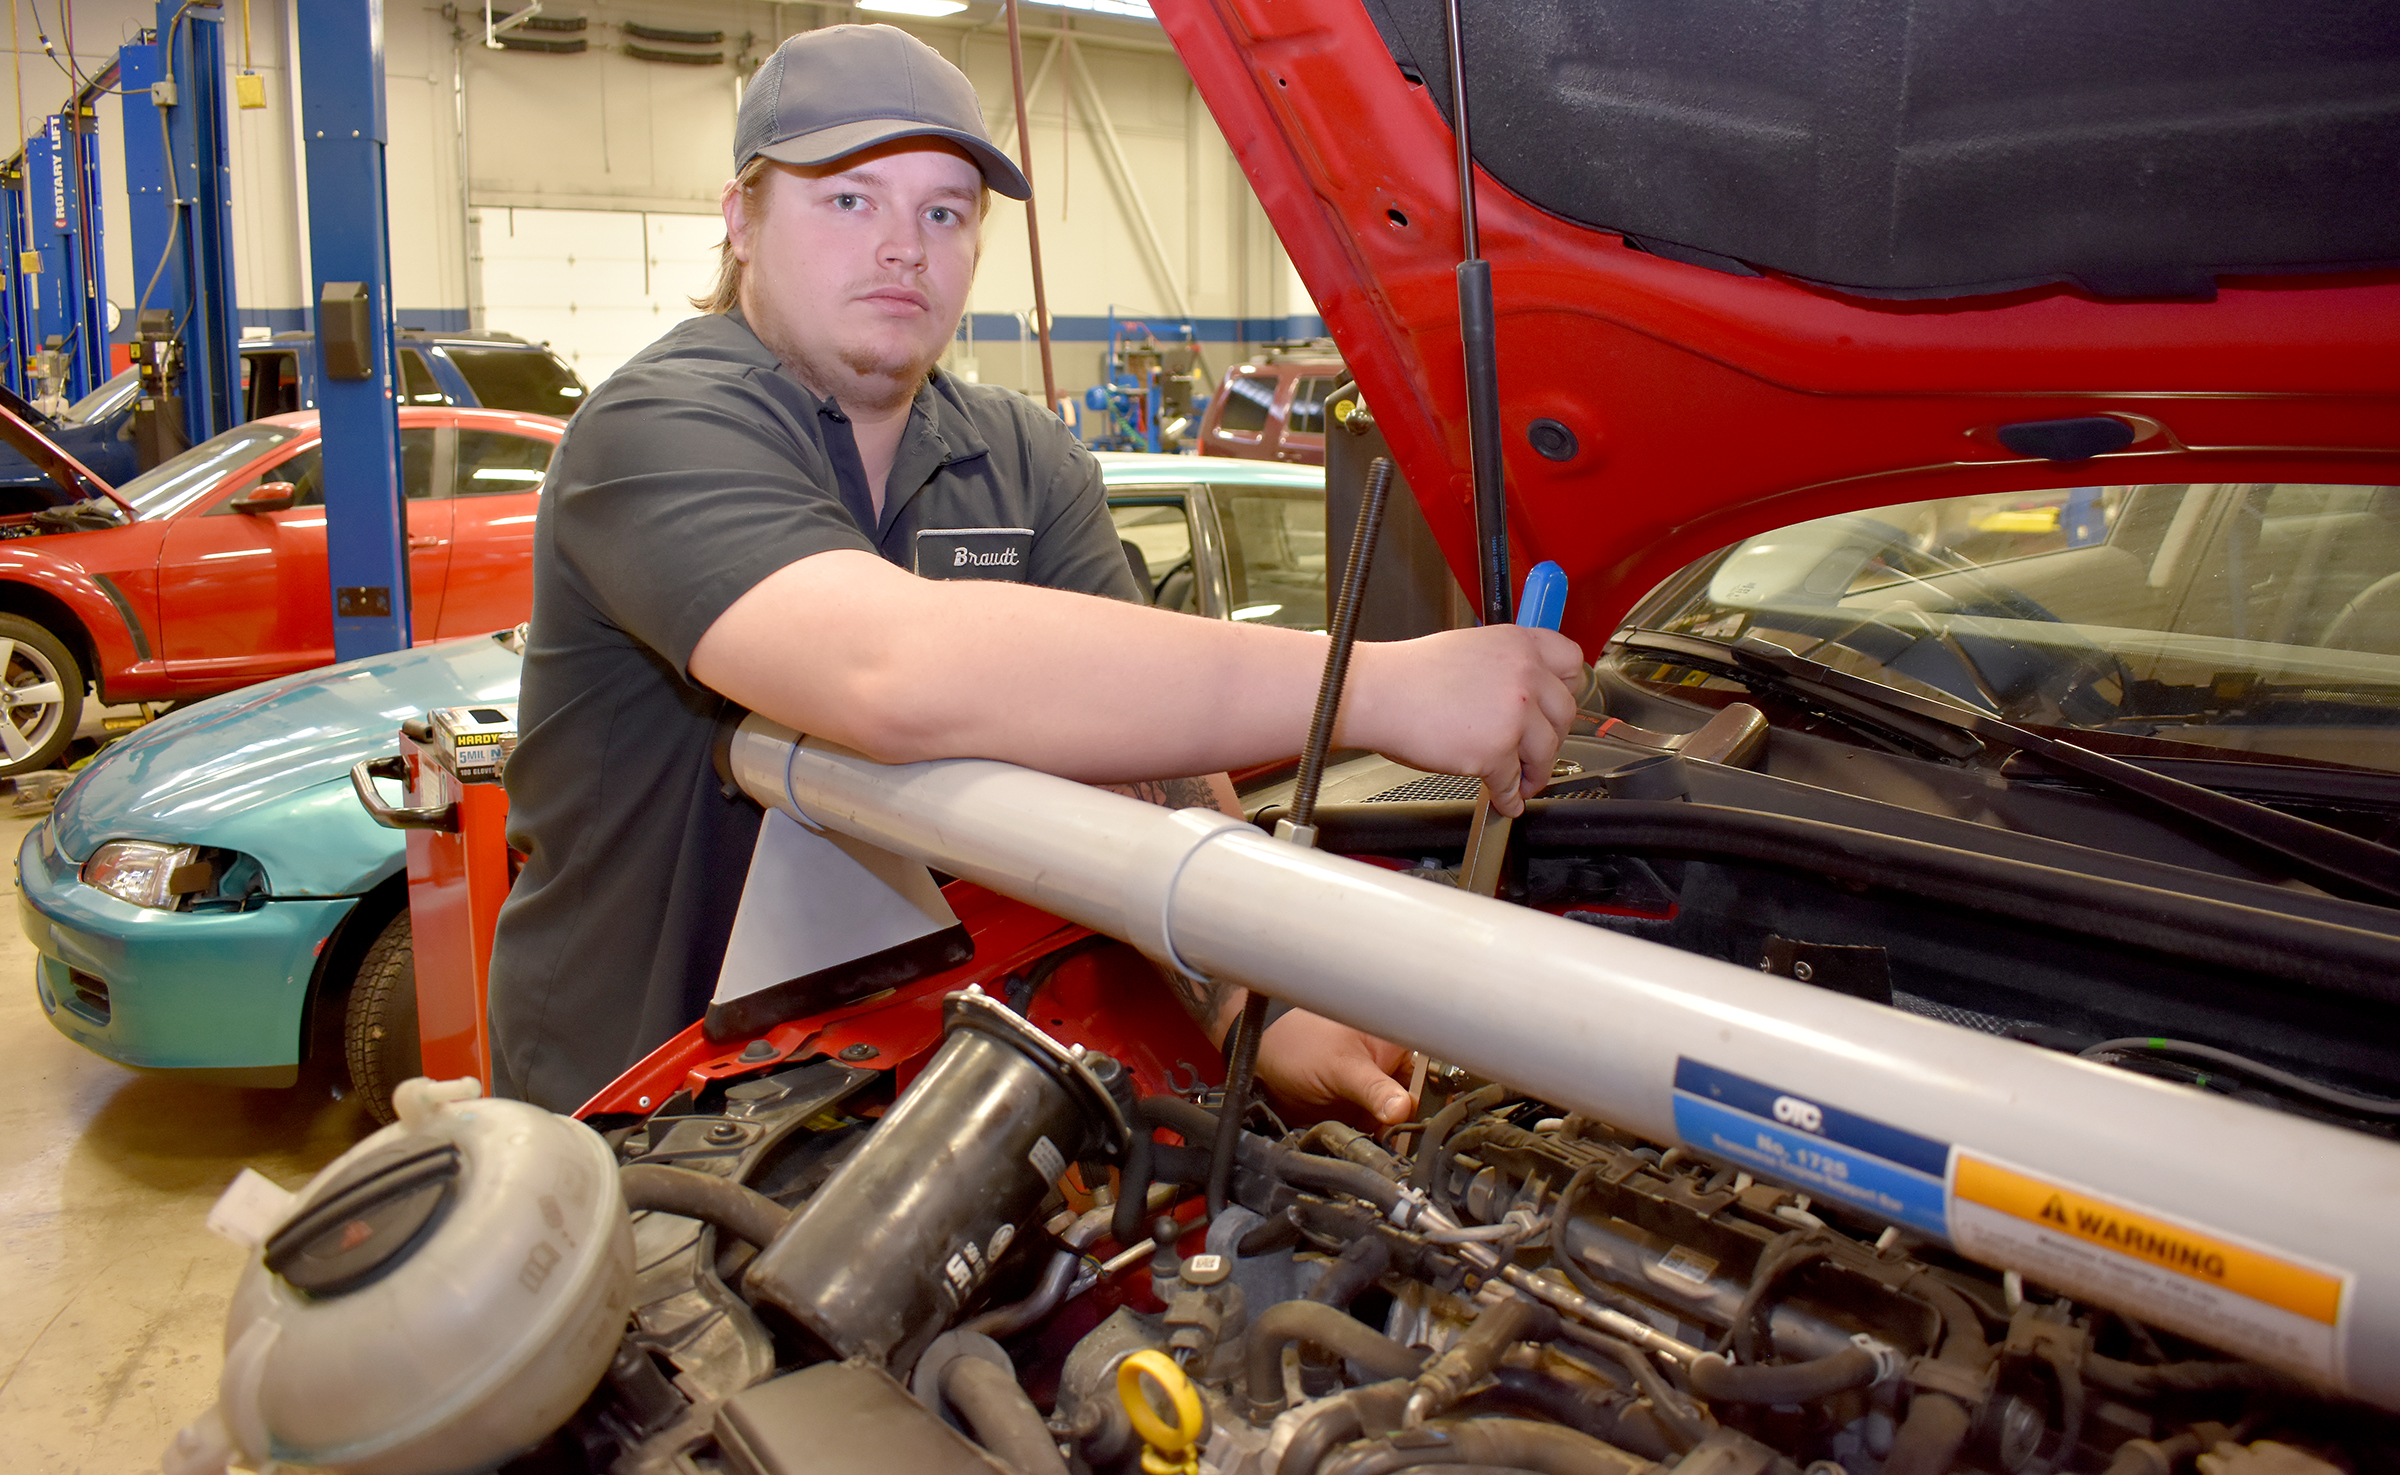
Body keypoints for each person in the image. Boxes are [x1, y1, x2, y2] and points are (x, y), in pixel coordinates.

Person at [487, 24, 1582, 1118]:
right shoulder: (659, 423)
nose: (905, 246)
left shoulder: (1020, 456)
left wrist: (1260, 999)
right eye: (850, 200)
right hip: (638, 1105)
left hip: (907, 1086)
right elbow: (892, 670)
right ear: (741, 220)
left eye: (944, 211)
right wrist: (1380, 688)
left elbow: (1142, 764)